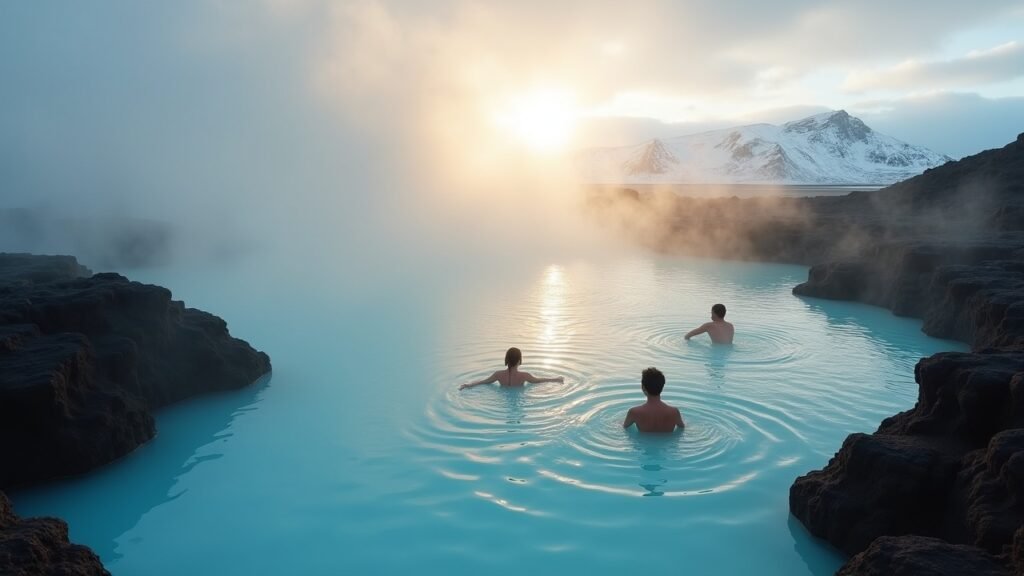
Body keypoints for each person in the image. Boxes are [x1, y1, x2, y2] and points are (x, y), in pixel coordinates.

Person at [458, 347, 564, 390]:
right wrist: (556, 379)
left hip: (503, 397)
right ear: (519, 360)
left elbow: (484, 382)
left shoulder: (498, 374)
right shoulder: (525, 376)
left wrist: (469, 384)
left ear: (506, 360)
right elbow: (539, 380)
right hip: (519, 398)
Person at [622, 367, 685, 433]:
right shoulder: (674, 412)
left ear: (643, 387)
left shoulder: (634, 412)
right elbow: (681, 428)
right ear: (662, 387)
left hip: (644, 442)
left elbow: (625, 427)